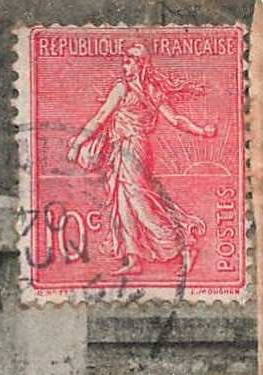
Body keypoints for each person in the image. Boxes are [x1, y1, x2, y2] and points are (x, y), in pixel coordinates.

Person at [65, 42, 217, 277]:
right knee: (123, 201)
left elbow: (103, 116)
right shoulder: (139, 89)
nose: (124, 66)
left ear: (140, 64)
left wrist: (77, 144)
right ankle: (133, 259)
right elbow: (174, 119)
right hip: (123, 148)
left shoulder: (130, 89)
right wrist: (201, 130)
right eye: (124, 62)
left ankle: (184, 246)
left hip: (133, 148)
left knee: (140, 202)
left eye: (128, 62)